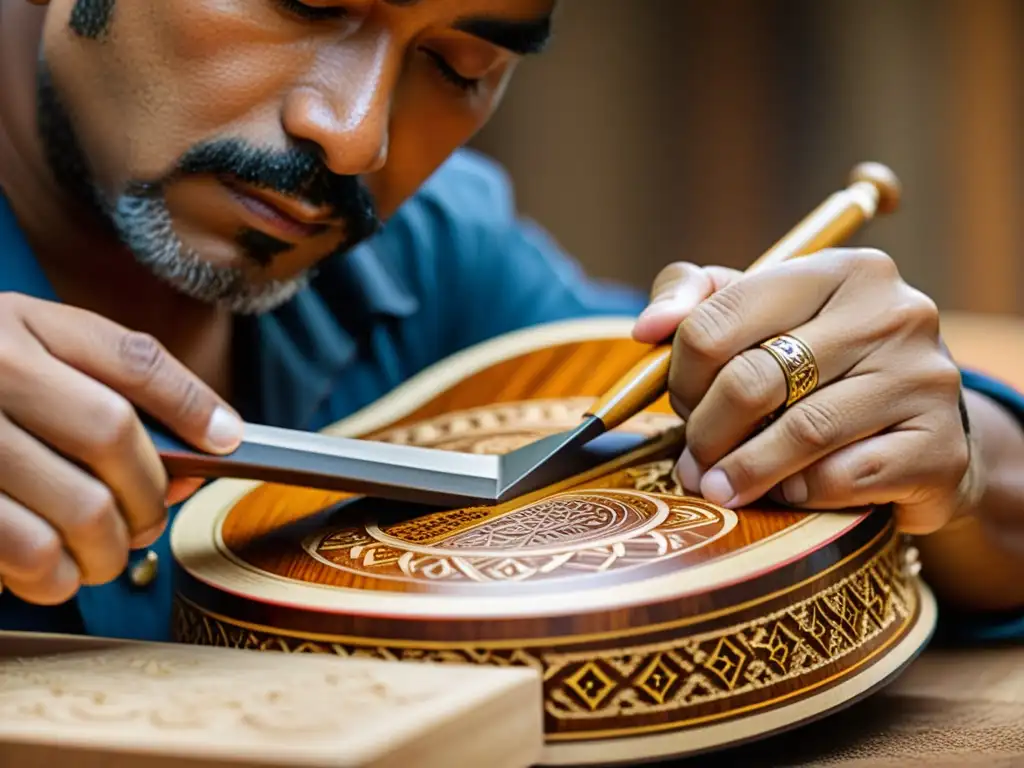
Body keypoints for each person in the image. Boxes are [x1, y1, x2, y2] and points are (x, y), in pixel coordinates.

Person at [0, 0, 1019, 643]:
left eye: (460, 65)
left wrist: (957, 462)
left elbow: (690, 396)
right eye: (306, 1)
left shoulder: (431, 260)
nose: (353, 136)